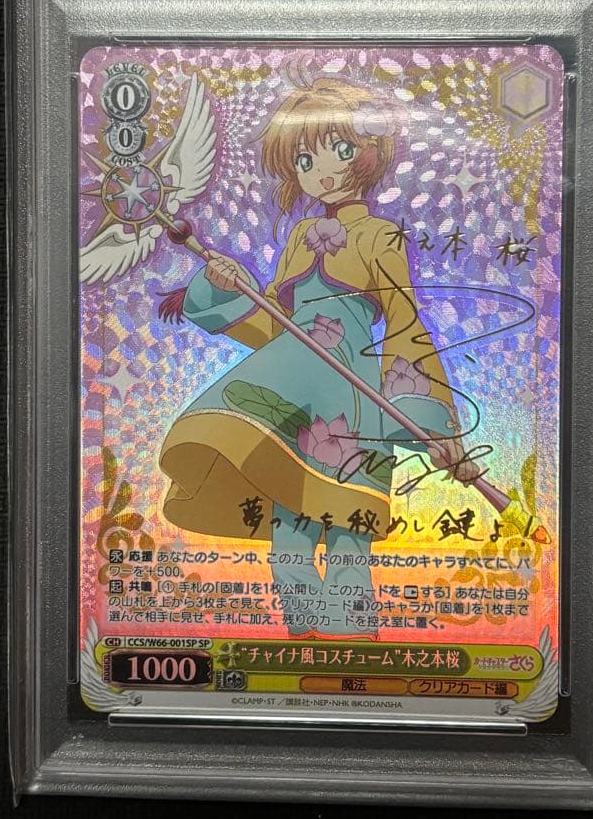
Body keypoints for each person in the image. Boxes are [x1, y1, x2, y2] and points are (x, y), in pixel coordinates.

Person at [158, 78, 478, 639]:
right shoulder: (302, 235)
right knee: (291, 530)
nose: (320, 171)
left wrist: (430, 421)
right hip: (294, 398)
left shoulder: (381, 236)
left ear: (370, 151)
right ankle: (303, 637)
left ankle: (354, 638)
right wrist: (227, 285)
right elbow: (273, 328)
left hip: (354, 396)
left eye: (339, 150)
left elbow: (403, 323)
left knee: (352, 527)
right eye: (305, 160)